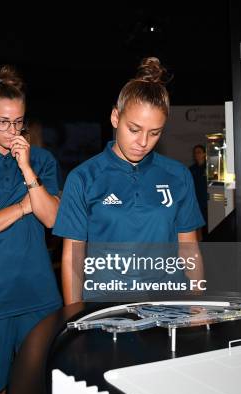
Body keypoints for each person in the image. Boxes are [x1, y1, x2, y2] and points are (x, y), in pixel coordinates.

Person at [53, 57, 205, 304]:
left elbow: (189, 249)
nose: (143, 142)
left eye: (154, 133)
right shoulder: (83, 178)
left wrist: (198, 306)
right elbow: (73, 256)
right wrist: (74, 319)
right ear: (115, 117)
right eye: (134, 129)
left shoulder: (178, 176)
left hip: (168, 307)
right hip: (106, 307)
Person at [0, 66, 62, 394]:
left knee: (36, 389)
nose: (11, 130)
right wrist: (20, 209)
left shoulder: (42, 161)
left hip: (38, 296)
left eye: (18, 122)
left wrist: (26, 168)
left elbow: (52, 219)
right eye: (2, 121)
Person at [189, 144, 207, 238]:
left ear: (204, 154)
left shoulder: (209, 168)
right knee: (197, 226)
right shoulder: (191, 169)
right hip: (196, 201)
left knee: (208, 225)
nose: (196, 154)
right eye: (195, 153)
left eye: (199, 152)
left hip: (207, 202)